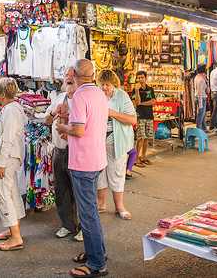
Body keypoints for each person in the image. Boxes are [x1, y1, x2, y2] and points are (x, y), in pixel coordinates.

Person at [56, 59, 109, 278]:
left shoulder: (78, 96)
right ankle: (95, 253)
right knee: (91, 212)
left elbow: (78, 130)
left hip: (83, 161)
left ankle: (96, 263)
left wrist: (62, 126)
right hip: (96, 159)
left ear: (75, 75)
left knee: (87, 214)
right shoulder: (99, 93)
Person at [45, 68, 83, 241]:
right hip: (58, 150)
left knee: (80, 192)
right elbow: (47, 120)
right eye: (66, 76)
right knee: (61, 191)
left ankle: (84, 228)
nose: (68, 78)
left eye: (71, 76)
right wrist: (54, 113)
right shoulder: (59, 98)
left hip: (76, 152)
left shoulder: (82, 100)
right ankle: (67, 225)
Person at [0, 77, 28, 251]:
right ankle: (13, 229)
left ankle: (15, 236)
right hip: (13, 156)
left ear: (1, 94)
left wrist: (1, 164)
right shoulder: (14, 108)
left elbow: (7, 139)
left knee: (3, 194)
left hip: (9, 157)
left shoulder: (10, 111)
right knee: (12, 192)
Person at [97, 70, 137, 221]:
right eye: (102, 85)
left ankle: (119, 206)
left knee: (117, 173)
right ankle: (101, 204)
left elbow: (133, 120)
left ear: (114, 84)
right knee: (99, 173)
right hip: (99, 141)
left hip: (118, 140)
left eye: (107, 85)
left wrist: (112, 113)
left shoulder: (122, 96)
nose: (104, 88)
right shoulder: (97, 96)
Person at [133, 70, 156, 167]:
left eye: (142, 77)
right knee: (140, 137)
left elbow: (153, 101)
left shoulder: (150, 89)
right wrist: (137, 91)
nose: (140, 79)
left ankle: (143, 156)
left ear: (145, 78)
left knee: (147, 137)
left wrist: (142, 103)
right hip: (140, 116)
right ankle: (136, 159)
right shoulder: (135, 89)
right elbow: (137, 102)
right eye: (138, 78)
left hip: (149, 115)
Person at [193, 65, 210, 131]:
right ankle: (198, 129)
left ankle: (204, 128)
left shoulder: (197, 77)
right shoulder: (201, 80)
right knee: (201, 114)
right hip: (201, 98)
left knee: (202, 114)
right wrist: (200, 104)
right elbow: (204, 91)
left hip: (198, 97)